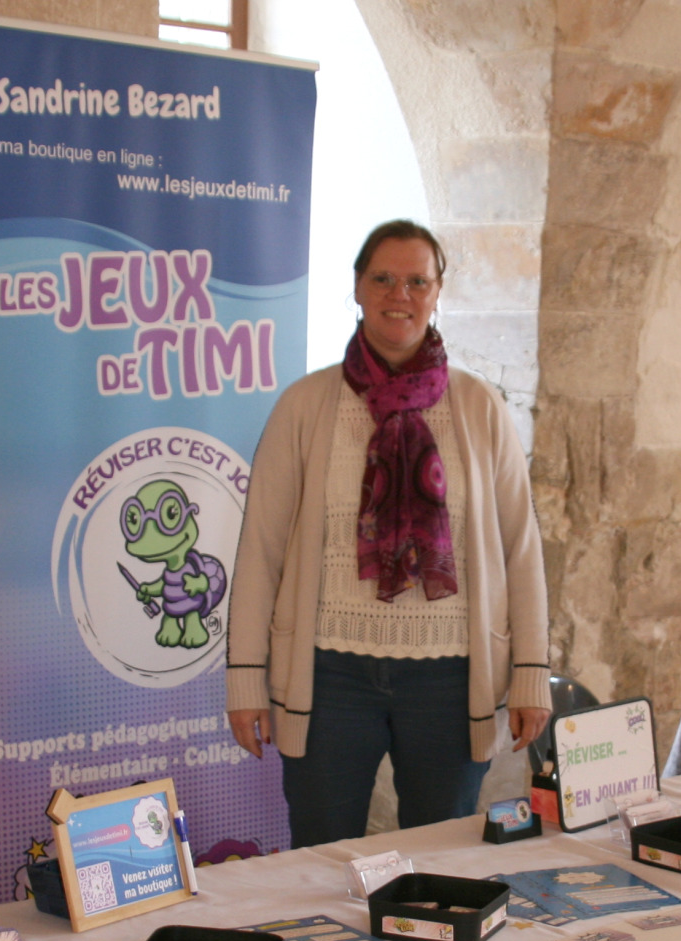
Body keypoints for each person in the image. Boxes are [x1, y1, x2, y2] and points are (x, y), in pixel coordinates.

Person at [227, 220, 552, 847]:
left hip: (450, 680)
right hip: (329, 677)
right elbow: (260, 552)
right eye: (382, 278)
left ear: (437, 292)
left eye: (416, 281)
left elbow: (521, 548)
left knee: (441, 863)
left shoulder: (479, 406)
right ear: (357, 287)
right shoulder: (304, 405)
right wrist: (246, 679)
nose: (399, 295)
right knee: (323, 859)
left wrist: (530, 673)